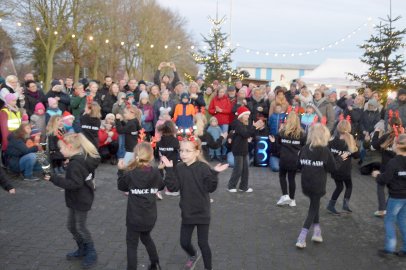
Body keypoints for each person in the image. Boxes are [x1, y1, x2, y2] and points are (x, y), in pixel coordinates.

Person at [161, 138, 229, 270]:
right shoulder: (179, 168)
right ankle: (193, 255)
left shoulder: (203, 168)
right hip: (187, 211)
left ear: (197, 152)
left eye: (187, 151)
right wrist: (169, 170)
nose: (183, 154)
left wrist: (214, 173)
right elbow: (173, 188)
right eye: (181, 150)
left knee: (203, 243)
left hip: (202, 211)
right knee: (184, 242)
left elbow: (210, 188)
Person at [44, 133, 100, 269]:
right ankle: (82, 248)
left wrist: (53, 179)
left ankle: (90, 251)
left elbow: (74, 184)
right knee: (71, 226)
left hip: (81, 200)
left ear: (69, 147)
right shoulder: (80, 159)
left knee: (80, 227)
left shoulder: (76, 164)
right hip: (77, 199)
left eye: (61, 148)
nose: (60, 151)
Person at [295, 123, 347, 249]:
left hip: (306, 184)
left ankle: (317, 232)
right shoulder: (325, 151)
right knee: (313, 209)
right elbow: (333, 168)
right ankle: (302, 237)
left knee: (315, 204)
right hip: (318, 185)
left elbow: (298, 166)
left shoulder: (305, 148)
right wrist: (340, 159)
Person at [117, 142, 164, 270]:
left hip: (134, 218)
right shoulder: (155, 172)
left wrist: (120, 171)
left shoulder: (130, 173)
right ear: (151, 156)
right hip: (149, 217)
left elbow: (121, 186)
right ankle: (155, 264)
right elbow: (161, 186)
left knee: (132, 245)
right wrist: (162, 170)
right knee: (146, 237)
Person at [372, 133, 406, 258]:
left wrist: (377, 175)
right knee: (403, 220)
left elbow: (384, 180)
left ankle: (389, 248)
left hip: (396, 197)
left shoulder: (393, 162)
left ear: (396, 146)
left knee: (389, 220)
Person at [271, 112, 306, 207]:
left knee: (282, 176)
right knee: (292, 178)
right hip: (295, 160)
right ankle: (292, 199)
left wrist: (279, 151)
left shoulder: (282, 133)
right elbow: (304, 147)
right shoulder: (302, 134)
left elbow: (277, 146)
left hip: (284, 158)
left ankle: (285, 195)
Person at [372, 116, 403, 217]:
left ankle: (382, 209)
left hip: (385, 167)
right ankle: (390, 209)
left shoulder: (386, 136)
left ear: (390, 125)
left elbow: (374, 145)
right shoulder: (402, 138)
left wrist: (376, 132)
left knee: (380, 186)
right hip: (399, 168)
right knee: (393, 189)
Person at [326, 119, 359, 215]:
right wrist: (356, 147)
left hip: (335, 169)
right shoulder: (350, 142)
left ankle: (331, 205)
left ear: (338, 128)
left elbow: (328, 154)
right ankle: (345, 204)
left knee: (339, 187)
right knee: (349, 186)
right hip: (345, 170)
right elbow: (356, 156)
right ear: (349, 129)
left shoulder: (331, 141)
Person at [227, 106, 262, 193]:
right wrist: (254, 127)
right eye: (246, 115)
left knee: (245, 170)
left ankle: (243, 186)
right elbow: (245, 134)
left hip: (244, 149)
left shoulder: (243, 124)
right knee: (238, 169)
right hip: (238, 149)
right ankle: (231, 185)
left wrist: (255, 127)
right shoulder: (237, 124)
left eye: (248, 115)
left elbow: (248, 133)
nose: (248, 116)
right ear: (241, 115)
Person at [156, 120, 180, 198]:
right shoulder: (175, 140)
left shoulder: (159, 142)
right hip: (173, 162)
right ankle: (171, 189)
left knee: (164, 174)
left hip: (163, 161)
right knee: (173, 175)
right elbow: (178, 148)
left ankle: (160, 188)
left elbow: (158, 151)